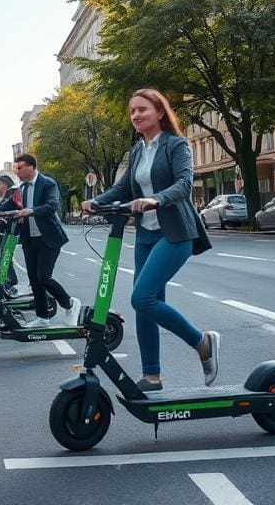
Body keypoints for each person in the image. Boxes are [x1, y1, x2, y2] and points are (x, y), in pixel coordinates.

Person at [82, 88, 219, 392]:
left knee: (141, 298)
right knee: (146, 305)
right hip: (146, 235)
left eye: (142, 109)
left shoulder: (176, 144)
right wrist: (94, 202)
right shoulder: (137, 150)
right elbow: (123, 187)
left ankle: (202, 342)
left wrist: (155, 199)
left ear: (159, 112)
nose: (136, 116)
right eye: (132, 111)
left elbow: (184, 184)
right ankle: (152, 377)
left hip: (175, 233)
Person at [11, 153, 80, 328]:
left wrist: (31, 211)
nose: (17, 171)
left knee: (44, 277)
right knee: (34, 279)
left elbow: (52, 206)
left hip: (49, 238)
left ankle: (70, 303)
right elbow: (10, 204)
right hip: (29, 239)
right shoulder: (22, 188)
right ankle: (42, 317)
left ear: (31, 166)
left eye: (20, 167)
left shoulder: (47, 183)